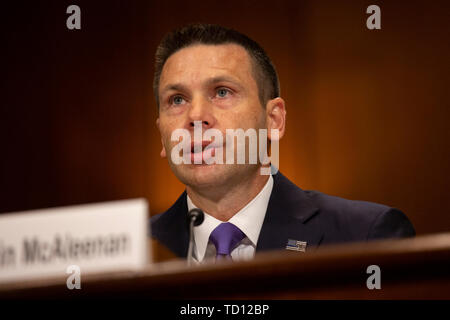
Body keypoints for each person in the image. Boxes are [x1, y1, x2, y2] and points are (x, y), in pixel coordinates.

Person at [150, 24, 415, 263]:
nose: (196, 116)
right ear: (162, 134)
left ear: (274, 120)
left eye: (222, 92)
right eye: (177, 100)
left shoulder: (366, 236)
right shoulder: (138, 248)